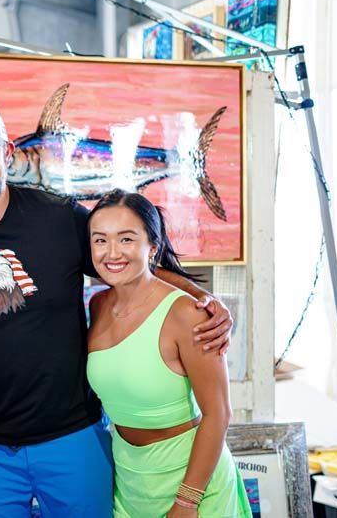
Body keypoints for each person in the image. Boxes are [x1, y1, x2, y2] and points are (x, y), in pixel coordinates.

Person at [0, 100, 233, 517]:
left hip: (74, 436)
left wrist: (204, 301)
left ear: (8, 153)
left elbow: (131, 267)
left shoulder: (58, 218)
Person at [86, 189, 251, 518]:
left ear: (153, 248)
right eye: (100, 240)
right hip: (130, 479)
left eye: (127, 239)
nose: (112, 252)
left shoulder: (187, 314)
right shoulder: (98, 305)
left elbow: (218, 413)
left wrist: (188, 501)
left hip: (192, 481)